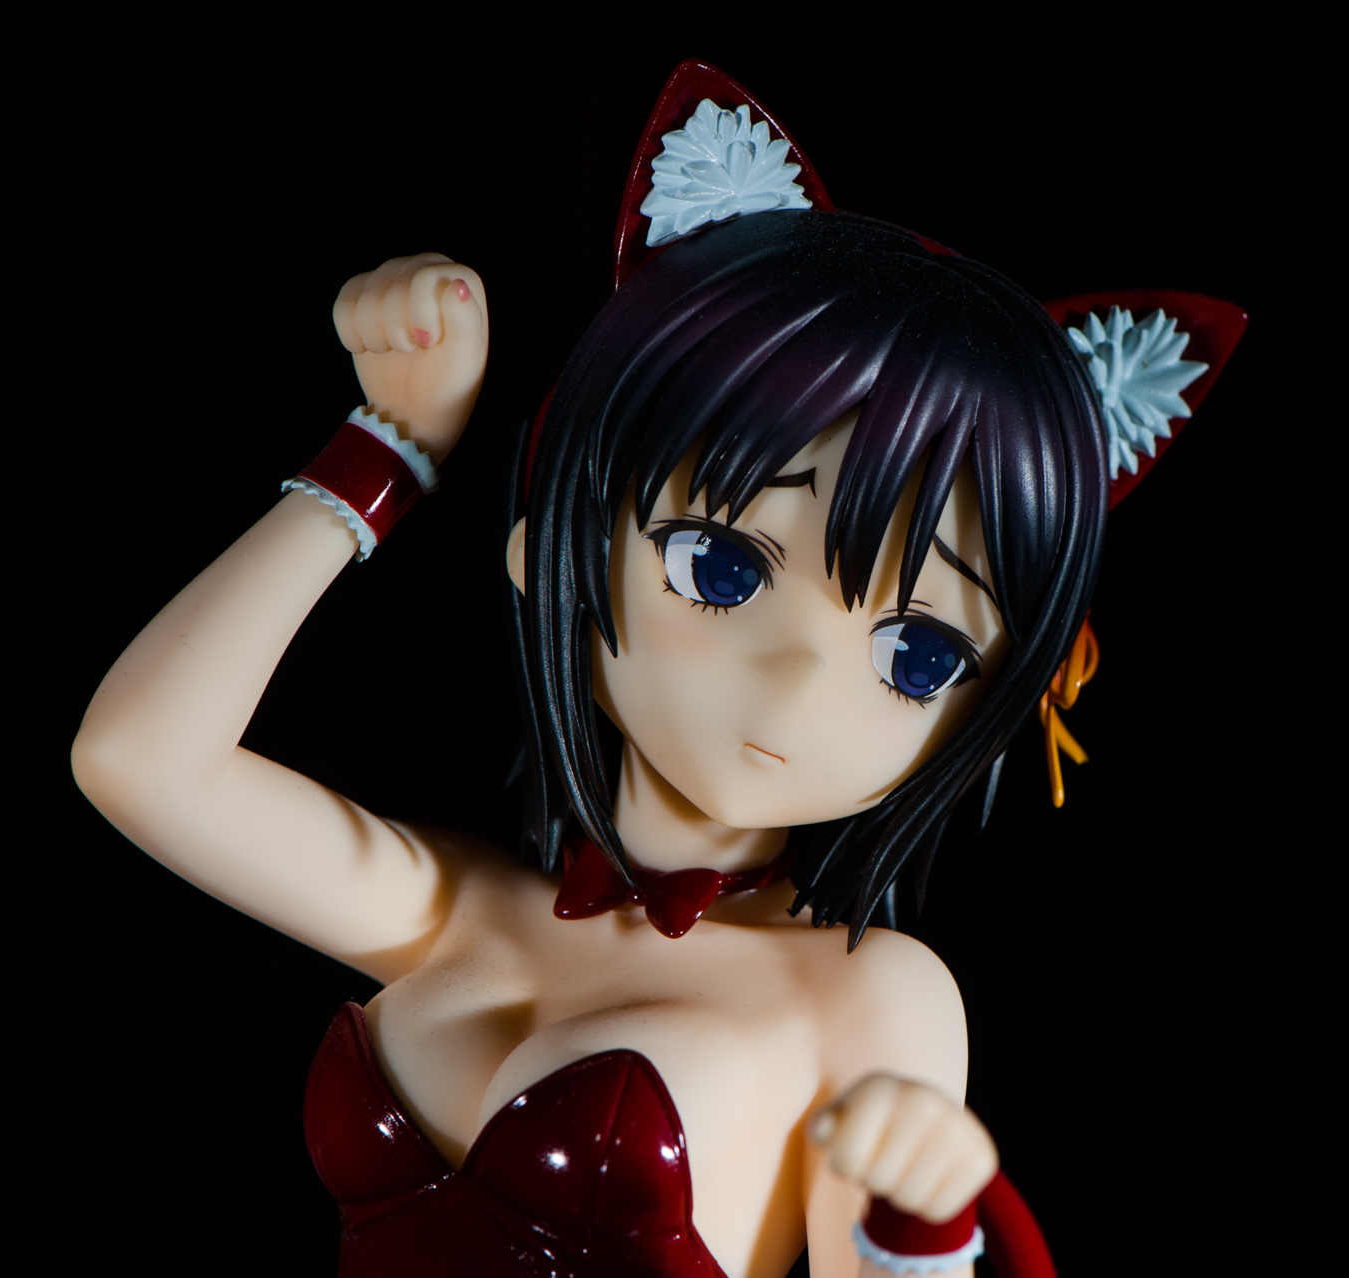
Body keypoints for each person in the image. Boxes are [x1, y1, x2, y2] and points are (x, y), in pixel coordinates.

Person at [72, 62, 1238, 1277]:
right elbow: (140, 761)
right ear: (556, 554)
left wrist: (923, 1220)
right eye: (722, 568)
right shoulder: (455, 905)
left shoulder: (868, 995)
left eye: (920, 652)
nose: (796, 680)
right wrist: (391, 449)